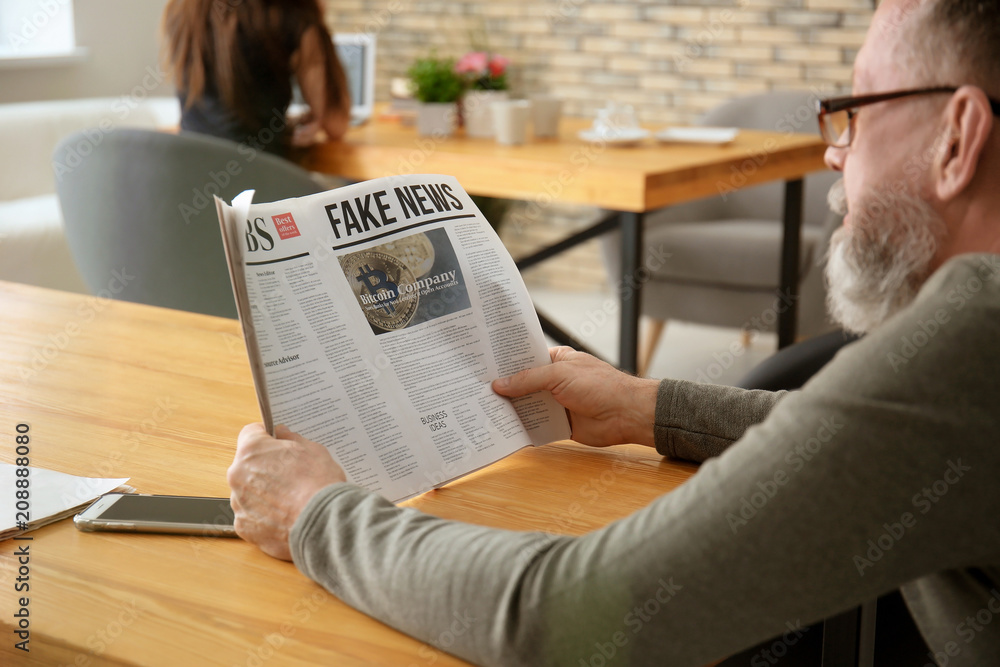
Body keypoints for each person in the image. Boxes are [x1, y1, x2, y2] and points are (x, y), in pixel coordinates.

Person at [227, 0, 1000, 664]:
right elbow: (870, 440)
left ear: (957, 138)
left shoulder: (971, 339)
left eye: (857, 110)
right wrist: (646, 405)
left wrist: (318, 516)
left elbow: (568, 618)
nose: (835, 150)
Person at [161, 0, 350, 157]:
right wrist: (317, 11)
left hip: (187, 179)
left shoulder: (182, 10)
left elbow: (217, 120)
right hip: (260, 185)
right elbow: (336, 124)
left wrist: (279, 126)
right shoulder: (291, 15)